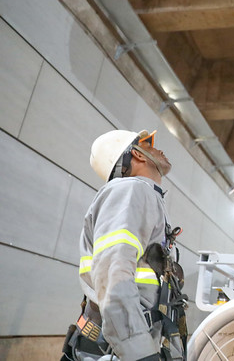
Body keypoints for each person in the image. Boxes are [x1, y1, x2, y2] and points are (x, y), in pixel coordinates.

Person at [61, 129, 187, 361]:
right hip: (119, 350)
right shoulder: (130, 191)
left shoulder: (145, 195)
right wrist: (140, 353)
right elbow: (113, 274)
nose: (157, 149)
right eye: (148, 144)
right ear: (136, 155)